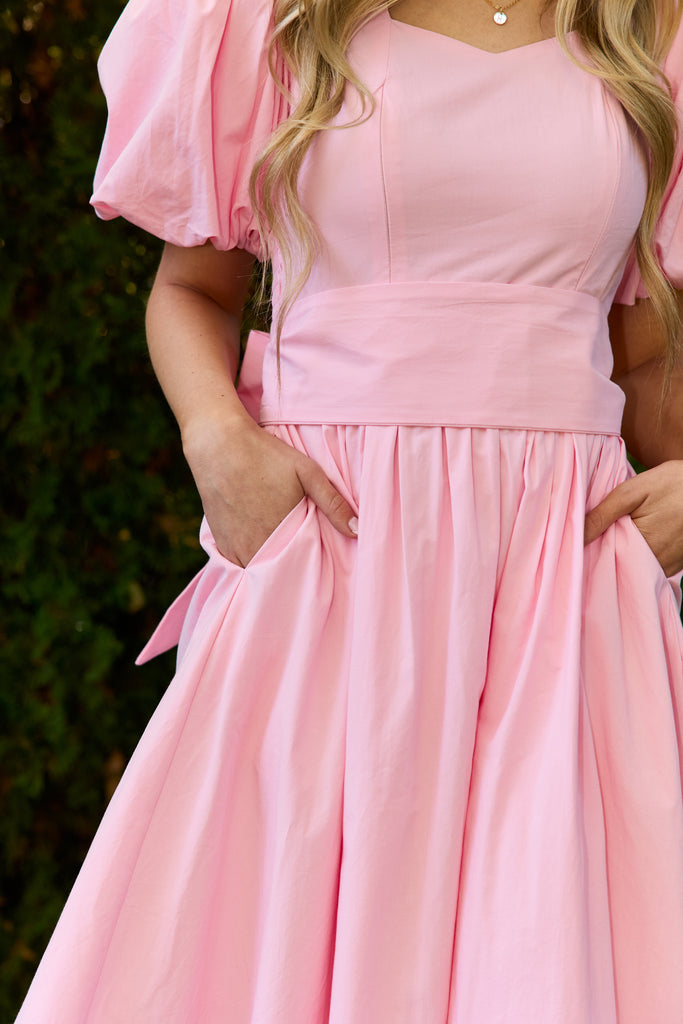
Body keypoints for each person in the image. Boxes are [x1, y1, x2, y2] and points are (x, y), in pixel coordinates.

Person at [15, 0, 683, 1020]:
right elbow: (189, 288)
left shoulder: (650, 29)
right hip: (335, 577)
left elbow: (644, 359)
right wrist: (216, 441)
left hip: (564, 602)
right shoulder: (258, 18)